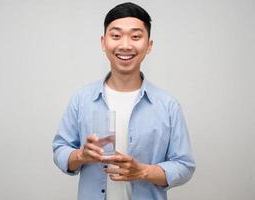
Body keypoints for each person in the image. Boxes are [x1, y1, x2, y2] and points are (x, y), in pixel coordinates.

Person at [52, 2, 195, 200]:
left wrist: (143, 171)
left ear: (149, 45)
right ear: (103, 42)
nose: (125, 45)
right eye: (116, 36)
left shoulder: (167, 105)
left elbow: (184, 165)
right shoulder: (82, 99)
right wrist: (80, 156)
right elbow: (60, 149)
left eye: (136, 36)